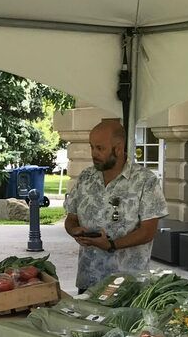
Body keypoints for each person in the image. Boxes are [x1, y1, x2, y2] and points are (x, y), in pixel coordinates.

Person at [64, 119, 167, 292]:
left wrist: (112, 245)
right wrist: (75, 230)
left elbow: (148, 231)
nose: (94, 153)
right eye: (92, 147)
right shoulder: (85, 178)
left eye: (100, 148)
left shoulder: (145, 181)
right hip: (89, 280)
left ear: (118, 149)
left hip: (128, 286)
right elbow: (71, 219)